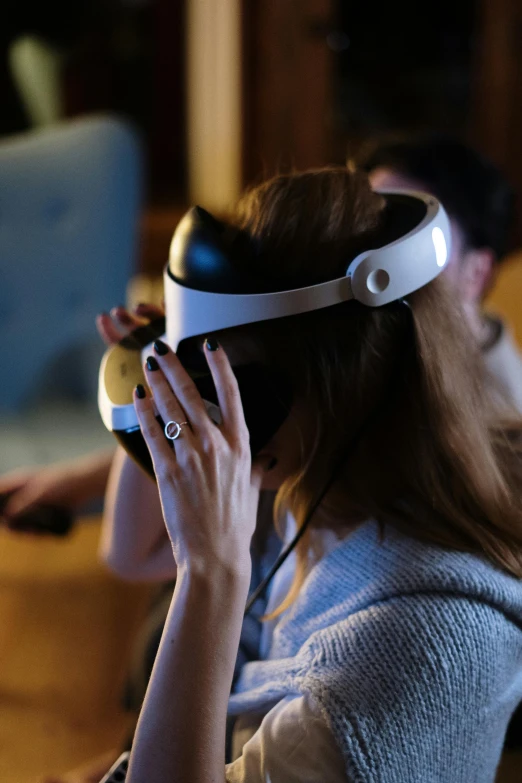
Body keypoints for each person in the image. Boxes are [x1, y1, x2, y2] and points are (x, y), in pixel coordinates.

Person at [101, 167, 522, 782]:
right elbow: (130, 553)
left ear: (331, 382)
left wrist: (213, 571)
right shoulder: (328, 481)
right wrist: (160, 377)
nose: (211, 412)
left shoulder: (413, 652)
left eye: (223, 381)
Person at [357, 132, 522, 411]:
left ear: (477, 273)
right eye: (366, 226)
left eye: (407, 235)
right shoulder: (381, 349)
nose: (371, 255)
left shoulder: (502, 431)